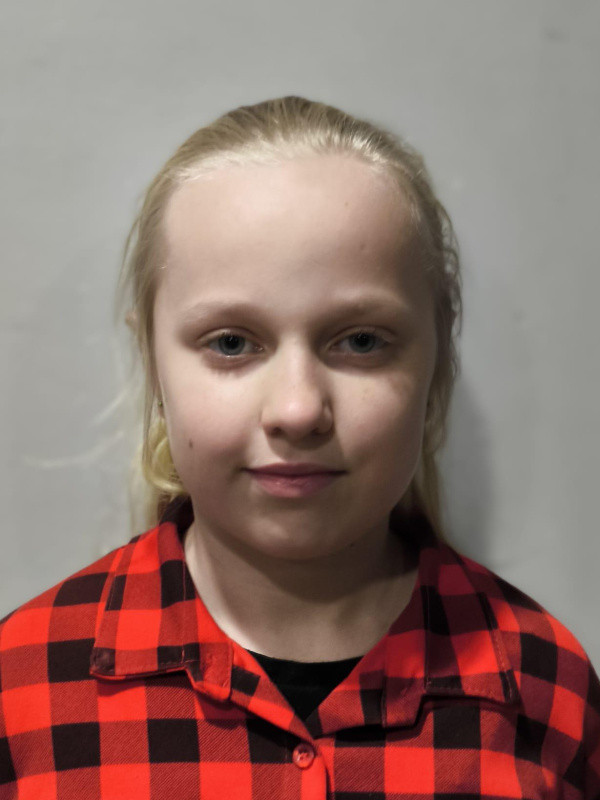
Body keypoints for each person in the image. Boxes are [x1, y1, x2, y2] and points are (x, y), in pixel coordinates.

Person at [0, 96, 598, 799]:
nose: (297, 410)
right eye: (231, 343)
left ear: (437, 355)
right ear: (152, 362)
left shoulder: (545, 689)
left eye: (361, 341)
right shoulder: (22, 691)